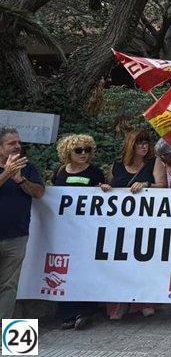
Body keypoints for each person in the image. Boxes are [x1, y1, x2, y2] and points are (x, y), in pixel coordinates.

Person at [51, 134, 106, 329]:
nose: (84, 154)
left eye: (87, 150)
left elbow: (103, 196)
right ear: (68, 152)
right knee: (65, 269)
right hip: (65, 230)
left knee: (85, 267)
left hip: (87, 231)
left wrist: (104, 189)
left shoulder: (95, 172)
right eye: (79, 150)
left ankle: (86, 310)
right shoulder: (60, 172)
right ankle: (67, 313)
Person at [106, 129, 161, 320]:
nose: (144, 147)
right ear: (131, 145)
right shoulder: (117, 165)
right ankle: (118, 302)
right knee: (119, 262)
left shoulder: (155, 163)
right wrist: (105, 188)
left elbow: (164, 187)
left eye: (146, 143)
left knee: (144, 261)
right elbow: (111, 185)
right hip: (120, 223)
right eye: (140, 143)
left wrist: (146, 185)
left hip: (146, 221)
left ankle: (144, 301)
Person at [0, 127, 45, 319]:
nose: (17, 146)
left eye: (18, 142)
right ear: (0, 148)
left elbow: (39, 193)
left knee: (9, 285)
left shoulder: (28, 168)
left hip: (17, 236)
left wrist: (20, 180)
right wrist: (6, 174)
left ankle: (3, 331)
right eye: (11, 143)